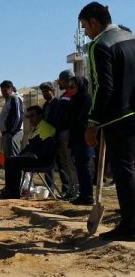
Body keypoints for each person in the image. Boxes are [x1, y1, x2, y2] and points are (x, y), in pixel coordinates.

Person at [79, 2, 135, 241]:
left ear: (94, 21)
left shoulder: (100, 45)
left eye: (85, 27)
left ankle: (131, 226)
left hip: (119, 117)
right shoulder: (131, 37)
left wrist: (93, 122)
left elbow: (104, 87)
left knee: (124, 171)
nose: (85, 33)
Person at [1, 106, 56, 199]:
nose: (30, 119)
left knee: (13, 162)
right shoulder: (34, 130)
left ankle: (13, 193)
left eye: (32, 116)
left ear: (40, 115)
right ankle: (9, 190)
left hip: (42, 160)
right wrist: (20, 156)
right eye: (28, 117)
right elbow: (28, 148)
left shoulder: (46, 128)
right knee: (10, 160)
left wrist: (27, 154)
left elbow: (44, 149)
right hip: (34, 158)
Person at [68, 77, 94, 205]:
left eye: (73, 86)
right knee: (79, 166)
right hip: (75, 137)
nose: (70, 89)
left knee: (84, 167)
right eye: (69, 87)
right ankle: (83, 195)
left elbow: (80, 118)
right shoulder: (74, 99)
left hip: (83, 137)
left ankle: (88, 196)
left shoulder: (85, 98)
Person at [0, 80, 24, 196]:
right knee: (8, 162)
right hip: (7, 134)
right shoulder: (9, 100)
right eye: (2, 90)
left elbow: (18, 117)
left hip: (13, 133)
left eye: (5, 90)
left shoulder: (15, 98)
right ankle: (9, 187)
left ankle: (14, 190)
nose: (3, 92)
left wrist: (11, 132)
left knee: (13, 162)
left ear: (11, 89)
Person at [53, 70, 77, 199]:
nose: (59, 82)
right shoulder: (64, 95)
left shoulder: (73, 95)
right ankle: (70, 190)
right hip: (61, 134)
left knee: (72, 164)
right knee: (66, 164)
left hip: (67, 134)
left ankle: (76, 191)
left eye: (60, 80)